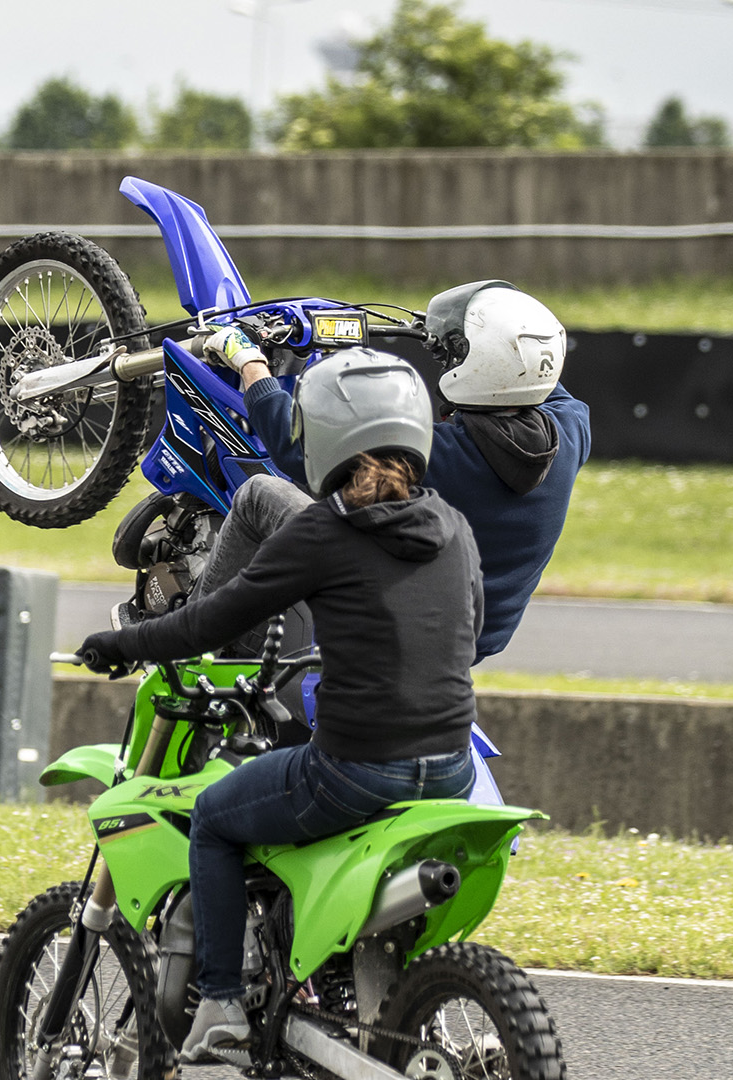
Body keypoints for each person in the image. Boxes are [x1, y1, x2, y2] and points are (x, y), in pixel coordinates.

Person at [78, 350, 481, 1064]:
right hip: (453, 770)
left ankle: (224, 999)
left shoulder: (325, 533)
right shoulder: (453, 524)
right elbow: (465, 626)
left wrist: (122, 643)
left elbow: (208, 620)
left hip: (360, 773)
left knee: (213, 819)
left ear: (322, 435)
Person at [196, 282, 590, 664]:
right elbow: (530, 377)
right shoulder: (571, 430)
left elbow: (295, 448)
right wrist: (446, 334)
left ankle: (188, 642)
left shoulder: (434, 455)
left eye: (455, 353)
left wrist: (250, 363)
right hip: (463, 644)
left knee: (260, 493)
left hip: (389, 625)